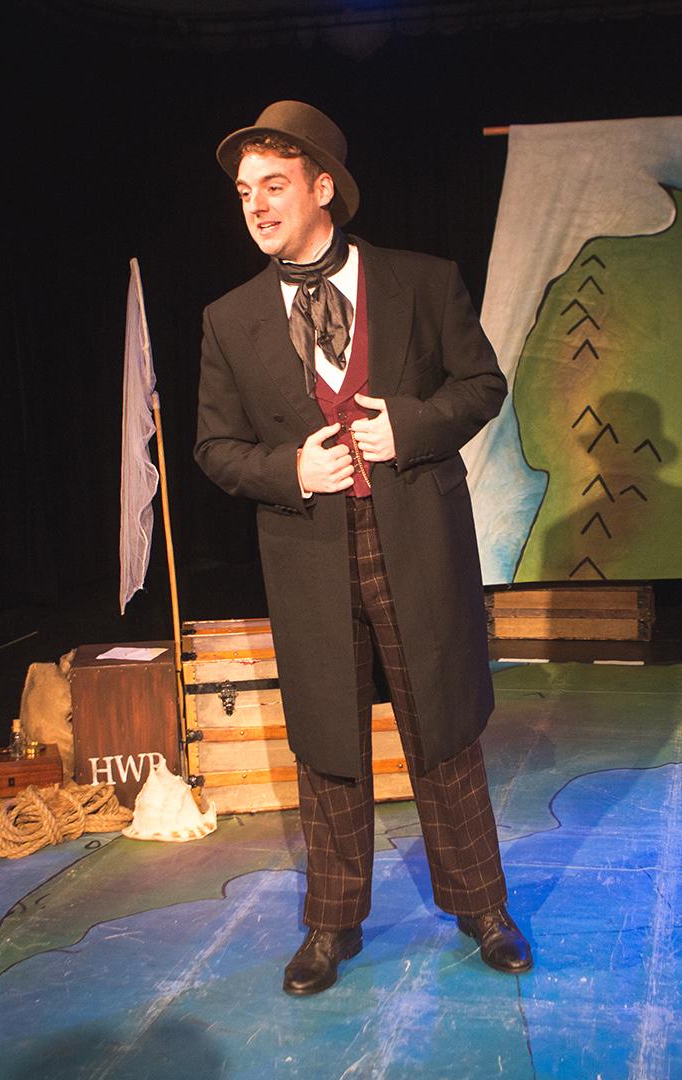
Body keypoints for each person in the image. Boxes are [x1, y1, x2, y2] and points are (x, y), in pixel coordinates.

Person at [194, 100, 530, 995]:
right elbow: (214, 449)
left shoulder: (421, 281)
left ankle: (483, 906)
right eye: (243, 193)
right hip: (309, 550)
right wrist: (291, 466)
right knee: (327, 736)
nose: (257, 207)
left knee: (444, 726)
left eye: (274, 185)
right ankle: (329, 925)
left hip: (415, 538)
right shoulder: (230, 320)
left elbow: (483, 383)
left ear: (324, 187)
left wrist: (410, 427)